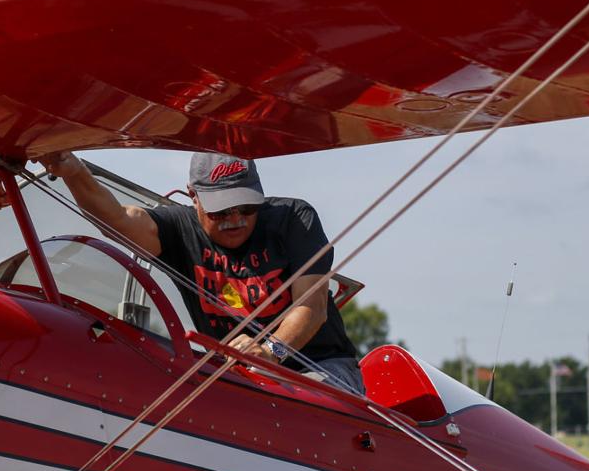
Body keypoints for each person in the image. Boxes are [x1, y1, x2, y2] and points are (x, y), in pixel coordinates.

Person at [39, 150, 365, 395]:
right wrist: (73, 171)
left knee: (294, 410)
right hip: (240, 377)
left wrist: (269, 352)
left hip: (322, 368)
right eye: (222, 211)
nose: (236, 219)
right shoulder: (178, 230)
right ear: (193, 196)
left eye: (247, 207)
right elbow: (118, 219)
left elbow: (312, 307)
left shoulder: (293, 219)